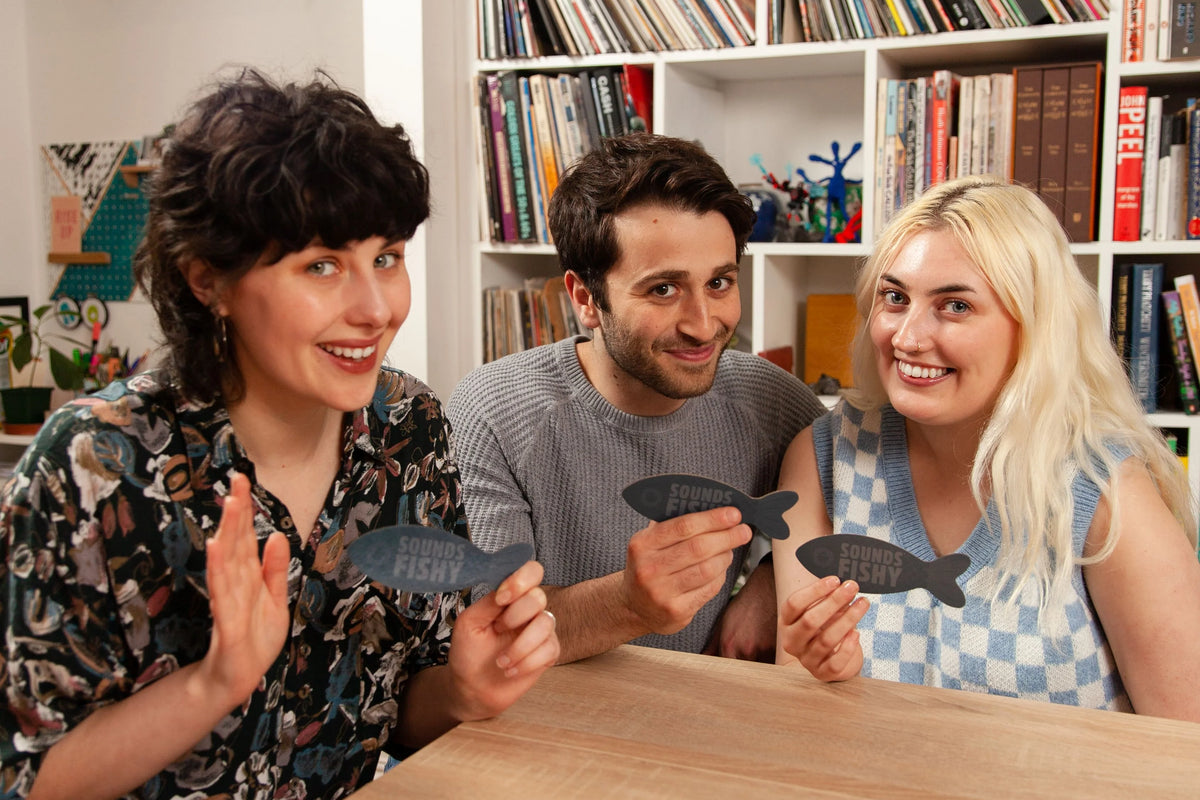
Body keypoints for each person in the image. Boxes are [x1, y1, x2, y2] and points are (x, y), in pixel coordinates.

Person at [0, 69, 559, 799]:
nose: (375, 308)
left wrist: (463, 690)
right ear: (208, 280)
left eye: (386, 258)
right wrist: (215, 682)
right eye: (321, 265)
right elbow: (27, 779)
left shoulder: (410, 434)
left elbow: (395, 714)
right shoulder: (93, 465)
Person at [773, 175, 1200, 720]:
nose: (906, 337)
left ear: (1033, 327)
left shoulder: (1104, 490)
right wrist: (828, 672)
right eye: (895, 297)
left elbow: (1185, 746)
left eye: (954, 306)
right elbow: (796, 695)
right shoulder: (824, 457)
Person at [447, 133, 827, 664]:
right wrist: (627, 604)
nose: (703, 325)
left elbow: (857, 501)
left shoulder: (771, 400)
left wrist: (769, 585)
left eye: (719, 282)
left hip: (701, 713)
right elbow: (491, 634)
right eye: (663, 290)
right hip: (545, 720)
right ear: (585, 298)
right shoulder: (492, 412)